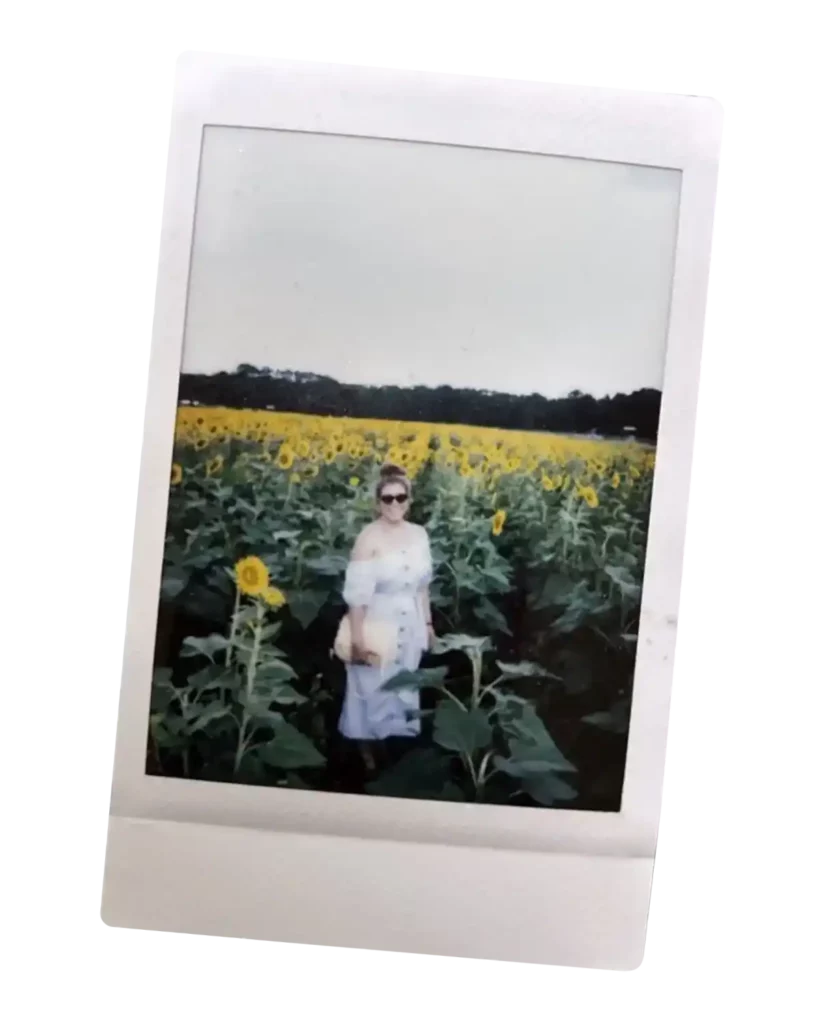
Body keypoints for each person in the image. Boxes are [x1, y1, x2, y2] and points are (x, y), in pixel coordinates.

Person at [339, 464, 435, 771]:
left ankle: (397, 752)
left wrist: (429, 625)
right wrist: (356, 639)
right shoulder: (368, 539)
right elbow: (357, 597)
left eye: (400, 497)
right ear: (377, 502)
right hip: (377, 623)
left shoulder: (419, 535)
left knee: (403, 688)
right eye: (387, 498)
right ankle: (368, 752)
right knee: (371, 689)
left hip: (412, 623)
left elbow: (423, 587)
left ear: (409, 500)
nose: (394, 504)